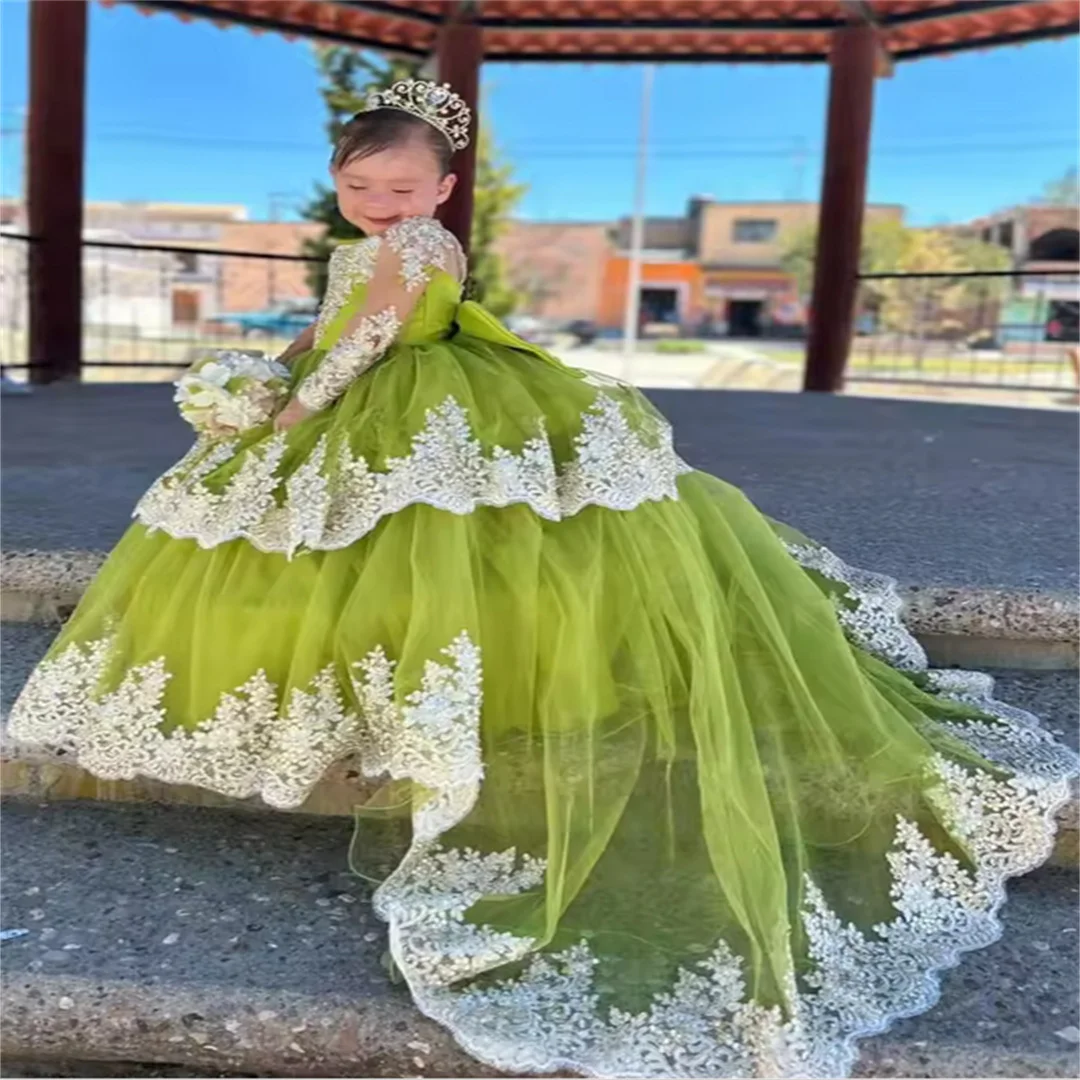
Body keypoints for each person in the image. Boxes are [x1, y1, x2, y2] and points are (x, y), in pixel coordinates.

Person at [9, 81, 1077, 1080]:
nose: (378, 206)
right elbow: (330, 326)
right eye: (358, 188)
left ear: (441, 191)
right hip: (357, 391)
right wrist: (272, 369)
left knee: (445, 528)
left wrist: (287, 411)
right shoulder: (365, 242)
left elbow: (371, 338)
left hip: (410, 395)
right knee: (295, 529)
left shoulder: (422, 246)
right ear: (340, 183)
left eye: (398, 189)